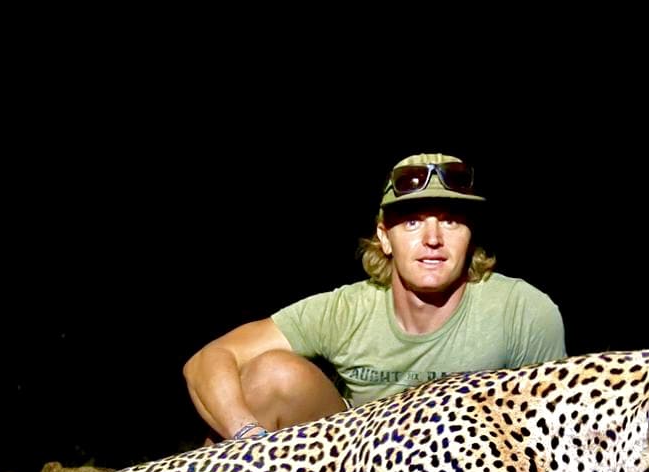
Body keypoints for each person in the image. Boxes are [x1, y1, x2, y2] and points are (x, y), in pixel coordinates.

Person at [183, 152, 566, 440]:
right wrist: (246, 437)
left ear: (471, 235)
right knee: (272, 374)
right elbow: (209, 359)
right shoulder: (346, 310)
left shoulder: (523, 310)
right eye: (412, 222)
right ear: (384, 237)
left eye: (450, 221)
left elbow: (557, 432)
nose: (433, 239)